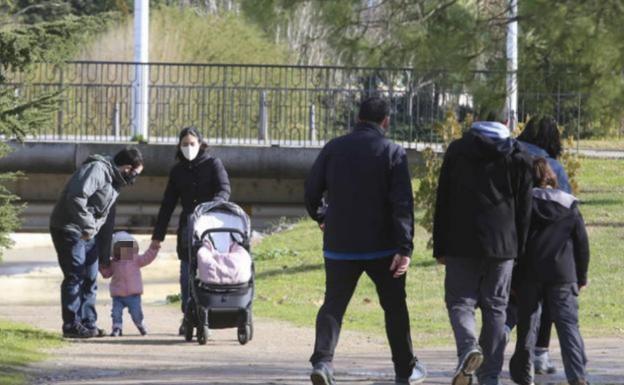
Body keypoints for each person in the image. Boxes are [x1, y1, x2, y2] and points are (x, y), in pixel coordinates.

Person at [304, 96, 427, 385]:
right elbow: (402, 204)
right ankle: (404, 370)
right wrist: (404, 247)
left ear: (358, 118)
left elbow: (311, 189)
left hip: (339, 245)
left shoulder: (334, 148)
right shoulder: (392, 152)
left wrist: (321, 216)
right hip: (382, 247)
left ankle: (322, 361)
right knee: (395, 307)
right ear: (385, 122)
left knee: (333, 305)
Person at [433, 110, 533, 385]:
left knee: (459, 301)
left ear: (476, 121)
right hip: (503, 244)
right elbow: (525, 210)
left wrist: (439, 245)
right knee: (496, 308)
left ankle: (468, 347)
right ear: (506, 124)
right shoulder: (518, 155)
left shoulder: (457, 150)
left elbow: (443, 199)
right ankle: (489, 375)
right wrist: (520, 249)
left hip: (460, 240)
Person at [509, 158, 589, 385]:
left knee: (527, 326)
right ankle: (577, 376)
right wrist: (581, 276)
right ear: (551, 177)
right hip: (563, 273)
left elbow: (518, 241)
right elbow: (581, 244)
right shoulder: (569, 205)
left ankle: (524, 376)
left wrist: (514, 279)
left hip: (530, 272)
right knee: (568, 326)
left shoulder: (523, 204)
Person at [50, 147, 144, 338]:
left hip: (87, 232)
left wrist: (103, 252)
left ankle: (88, 323)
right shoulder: (97, 170)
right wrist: (88, 227)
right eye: (135, 173)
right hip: (68, 227)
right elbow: (76, 196)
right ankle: (71, 325)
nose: (134, 178)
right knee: (74, 276)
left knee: (90, 277)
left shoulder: (115, 182)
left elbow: (105, 217)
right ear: (127, 168)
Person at [150, 127, 231, 335]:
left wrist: (214, 205)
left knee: (209, 272)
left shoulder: (213, 164)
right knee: (187, 274)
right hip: (188, 227)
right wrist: (157, 237)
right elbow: (167, 204)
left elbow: (224, 189)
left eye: (192, 143)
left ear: (201, 144)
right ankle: (188, 315)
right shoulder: (177, 171)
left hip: (210, 225)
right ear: (179, 146)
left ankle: (208, 316)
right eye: (184, 144)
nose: (188, 147)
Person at [510, 115, 571, 374]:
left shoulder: (511, 157)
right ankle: (540, 354)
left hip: (510, 241)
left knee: (511, 299)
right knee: (544, 301)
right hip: (546, 247)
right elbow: (566, 205)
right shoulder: (553, 166)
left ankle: (496, 341)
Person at [99, 231, 160, 337]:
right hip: (118, 295)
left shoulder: (135, 259)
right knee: (115, 313)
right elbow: (107, 274)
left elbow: (147, 257)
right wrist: (101, 266)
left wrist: (153, 248)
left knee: (136, 313)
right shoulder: (114, 262)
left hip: (133, 295)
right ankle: (117, 328)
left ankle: (140, 325)